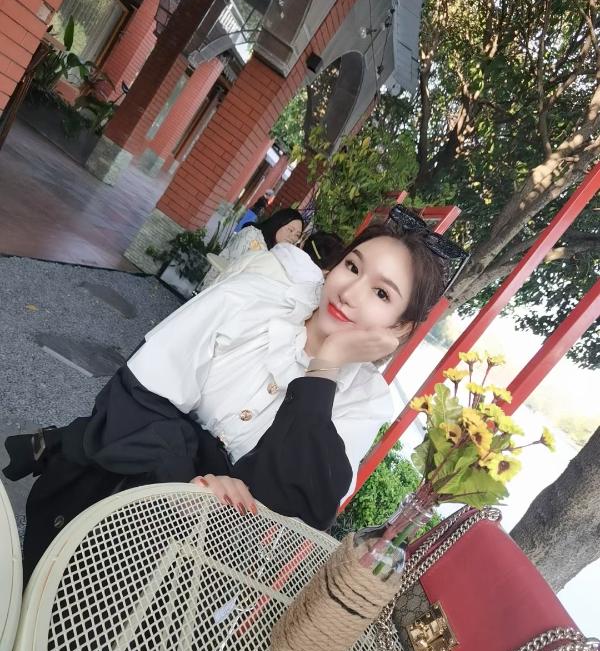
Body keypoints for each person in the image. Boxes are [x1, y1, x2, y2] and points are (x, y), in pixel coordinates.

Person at [3, 220, 447, 587]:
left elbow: (291, 512)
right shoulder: (249, 301)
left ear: (401, 328)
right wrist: (194, 482)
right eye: (352, 266)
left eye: (382, 294)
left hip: (179, 578)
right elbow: (132, 399)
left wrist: (325, 369)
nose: (350, 292)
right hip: (98, 503)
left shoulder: (364, 402)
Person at [201, 208, 304, 290]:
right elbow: (231, 267)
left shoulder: (279, 256)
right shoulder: (251, 234)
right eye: (290, 230)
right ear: (278, 223)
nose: (292, 237)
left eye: (297, 235)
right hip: (218, 289)